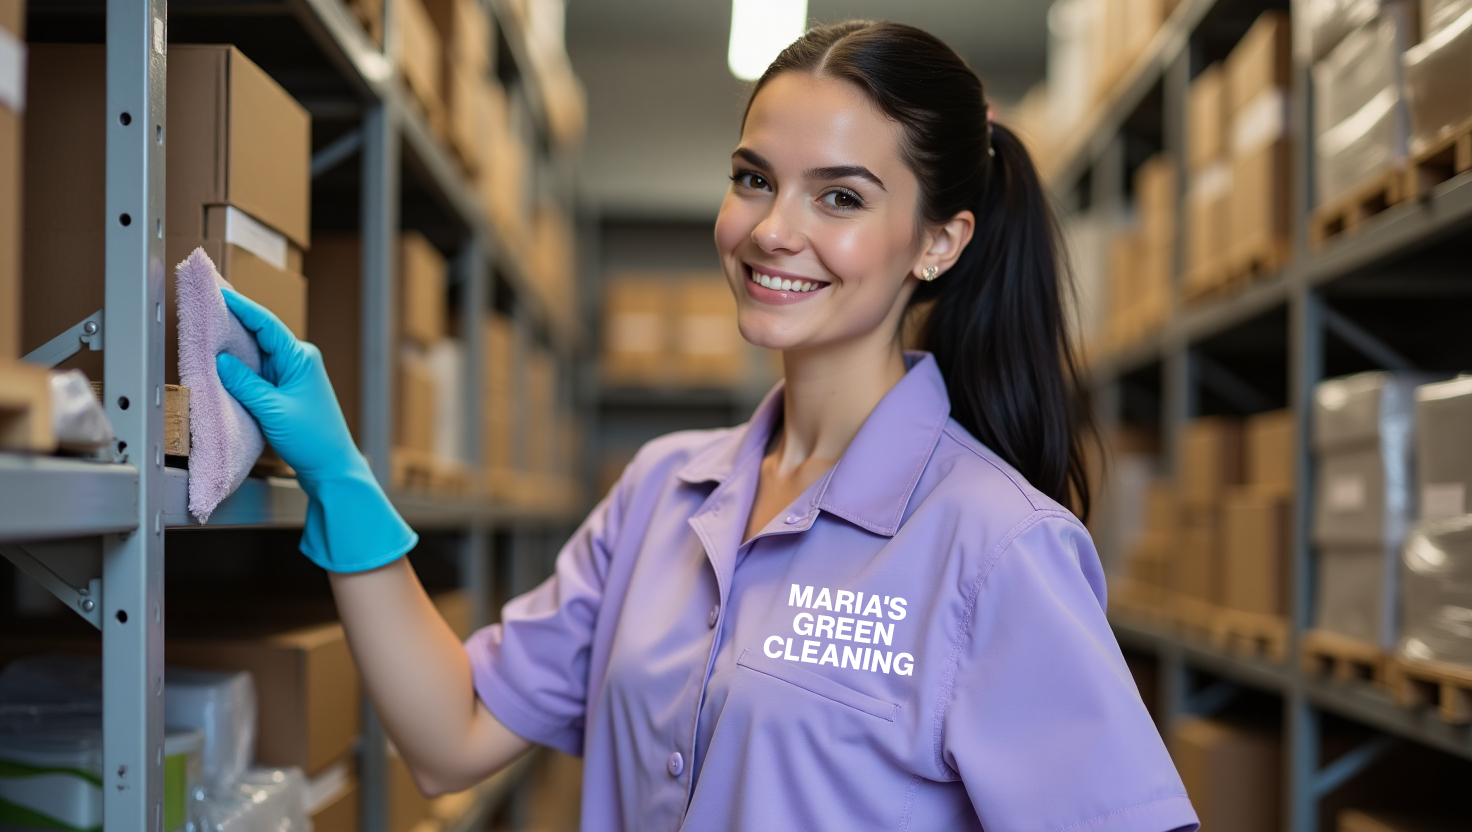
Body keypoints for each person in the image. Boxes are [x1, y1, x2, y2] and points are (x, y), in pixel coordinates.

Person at [216, 20, 1198, 832]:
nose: (773, 229)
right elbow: (454, 734)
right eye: (753, 177)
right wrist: (341, 481)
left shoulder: (995, 544)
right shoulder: (661, 489)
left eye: (840, 197)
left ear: (938, 243)